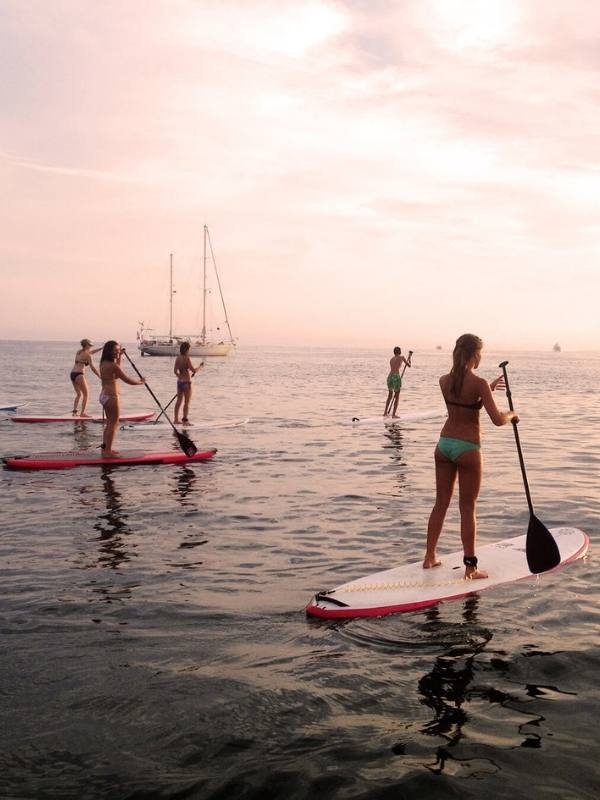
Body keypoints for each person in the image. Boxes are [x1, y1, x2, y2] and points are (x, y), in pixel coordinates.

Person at [423, 333, 519, 580]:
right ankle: (470, 567)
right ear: (475, 355)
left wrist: (488, 390)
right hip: (467, 448)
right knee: (467, 508)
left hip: (444, 445)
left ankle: (429, 557)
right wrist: (512, 414)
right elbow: (498, 420)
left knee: (440, 503)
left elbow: (463, 402)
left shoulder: (444, 380)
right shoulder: (479, 383)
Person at [98, 340, 145, 457]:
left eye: (118, 351)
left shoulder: (103, 363)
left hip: (104, 395)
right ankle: (108, 452)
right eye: (115, 351)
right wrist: (140, 382)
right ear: (109, 351)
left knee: (110, 423)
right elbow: (126, 379)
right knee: (113, 424)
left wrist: (119, 357)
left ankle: (105, 449)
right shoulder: (112, 365)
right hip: (111, 397)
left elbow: (115, 376)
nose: (117, 352)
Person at [173, 342, 203, 424]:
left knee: (179, 401)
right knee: (187, 402)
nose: (189, 351)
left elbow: (175, 371)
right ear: (186, 349)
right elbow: (193, 370)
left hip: (179, 382)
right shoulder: (187, 358)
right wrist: (200, 367)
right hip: (186, 382)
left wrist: (180, 377)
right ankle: (185, 421)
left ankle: (175, 420)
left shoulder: (178, 358)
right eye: (189, 349)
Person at [70, 339, 102, 416]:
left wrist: (100, 349)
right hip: (79, 375)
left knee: (78, 394)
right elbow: (92, 367)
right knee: (86, 394)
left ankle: (74, 412)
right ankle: (82, 413)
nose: (91, 347)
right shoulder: (87, 355)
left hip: (72, 374)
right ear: (87, 345)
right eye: (90, 345)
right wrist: (100, 376)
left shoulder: (79, 352)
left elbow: (90, 352)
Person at [384, 346, 412, 417]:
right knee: (397, 396)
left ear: (394, 352)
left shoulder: (391, 359)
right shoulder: (402, 357)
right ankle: (393, 414)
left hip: (390, 376)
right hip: (396, 377)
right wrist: (410, 357)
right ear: (399, 352)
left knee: (390, 396)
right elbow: (409, 365)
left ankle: (385, 413)